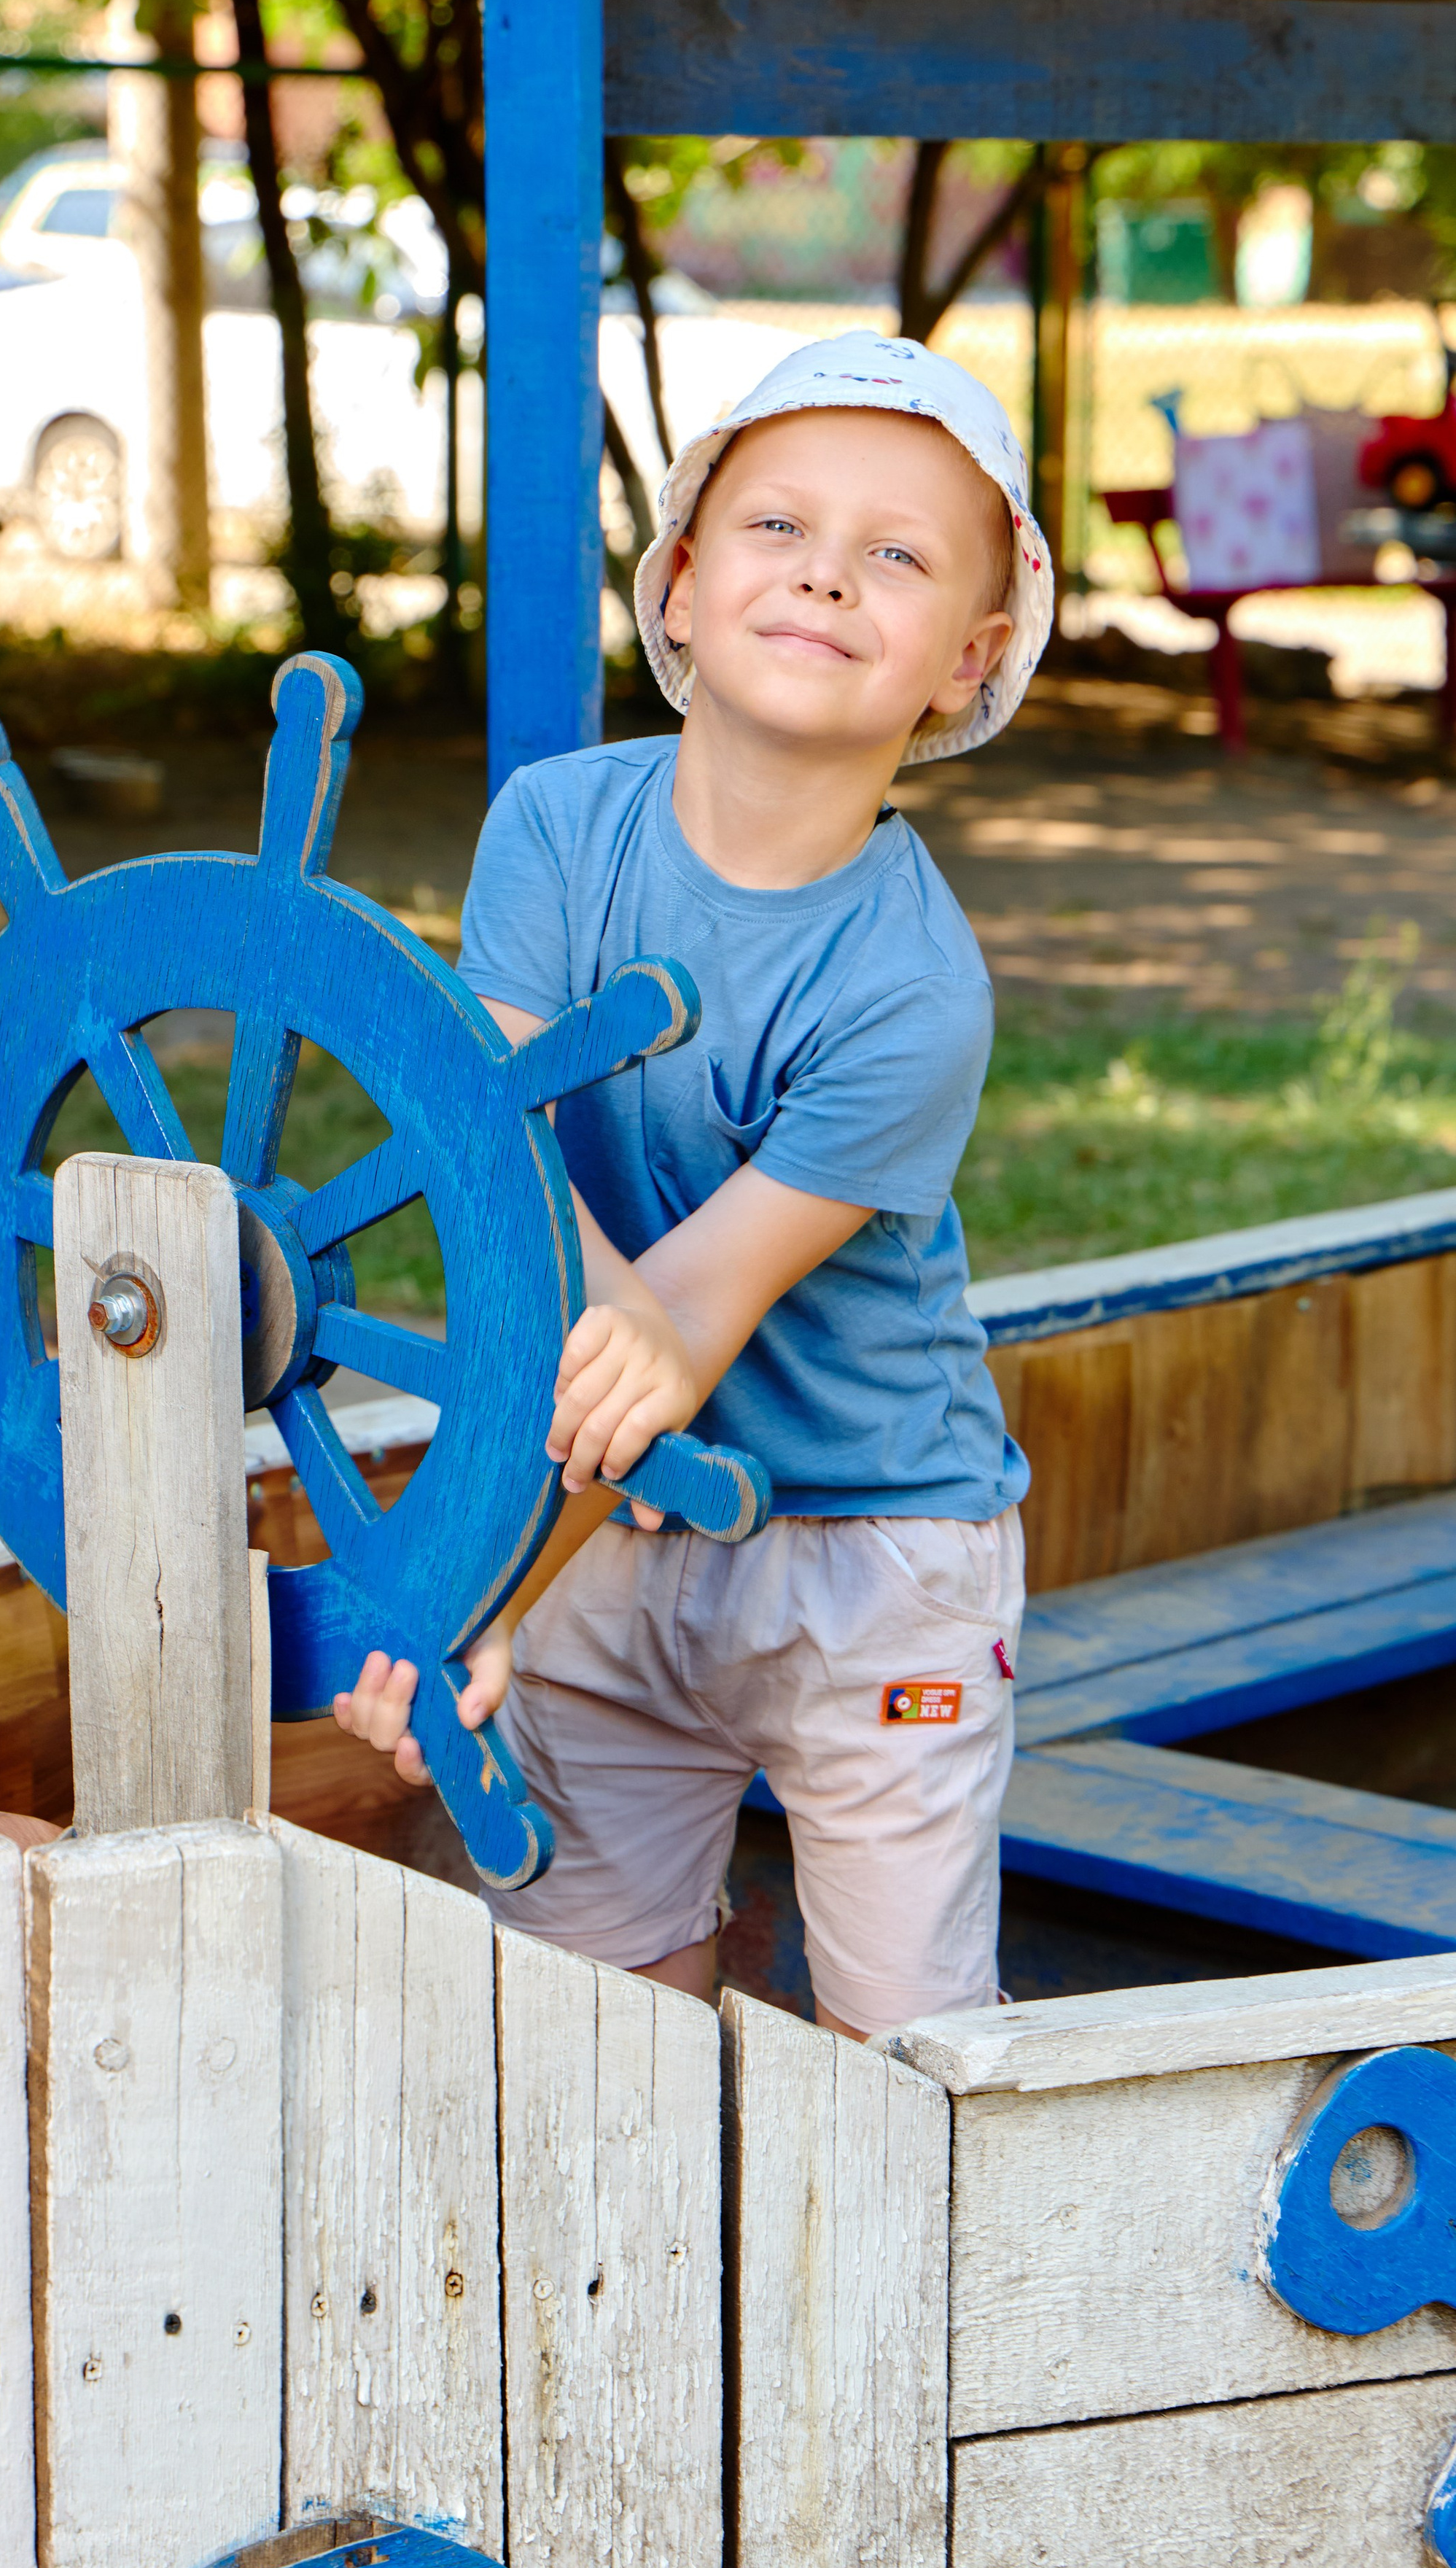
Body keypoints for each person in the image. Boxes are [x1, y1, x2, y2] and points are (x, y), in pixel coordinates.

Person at [334, 332, 1054, 2040]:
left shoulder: (909, 991)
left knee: (908, 2058)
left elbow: (670, 1325)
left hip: (871, 1558)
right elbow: (487, 1150)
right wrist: (491, 1597)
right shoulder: (553, 832)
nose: (823, 570)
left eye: (896, 552)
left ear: (967, 656)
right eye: (775, 525)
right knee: (596, 2030)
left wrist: (472, 1593)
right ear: (672, 582)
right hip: (615, 1529)